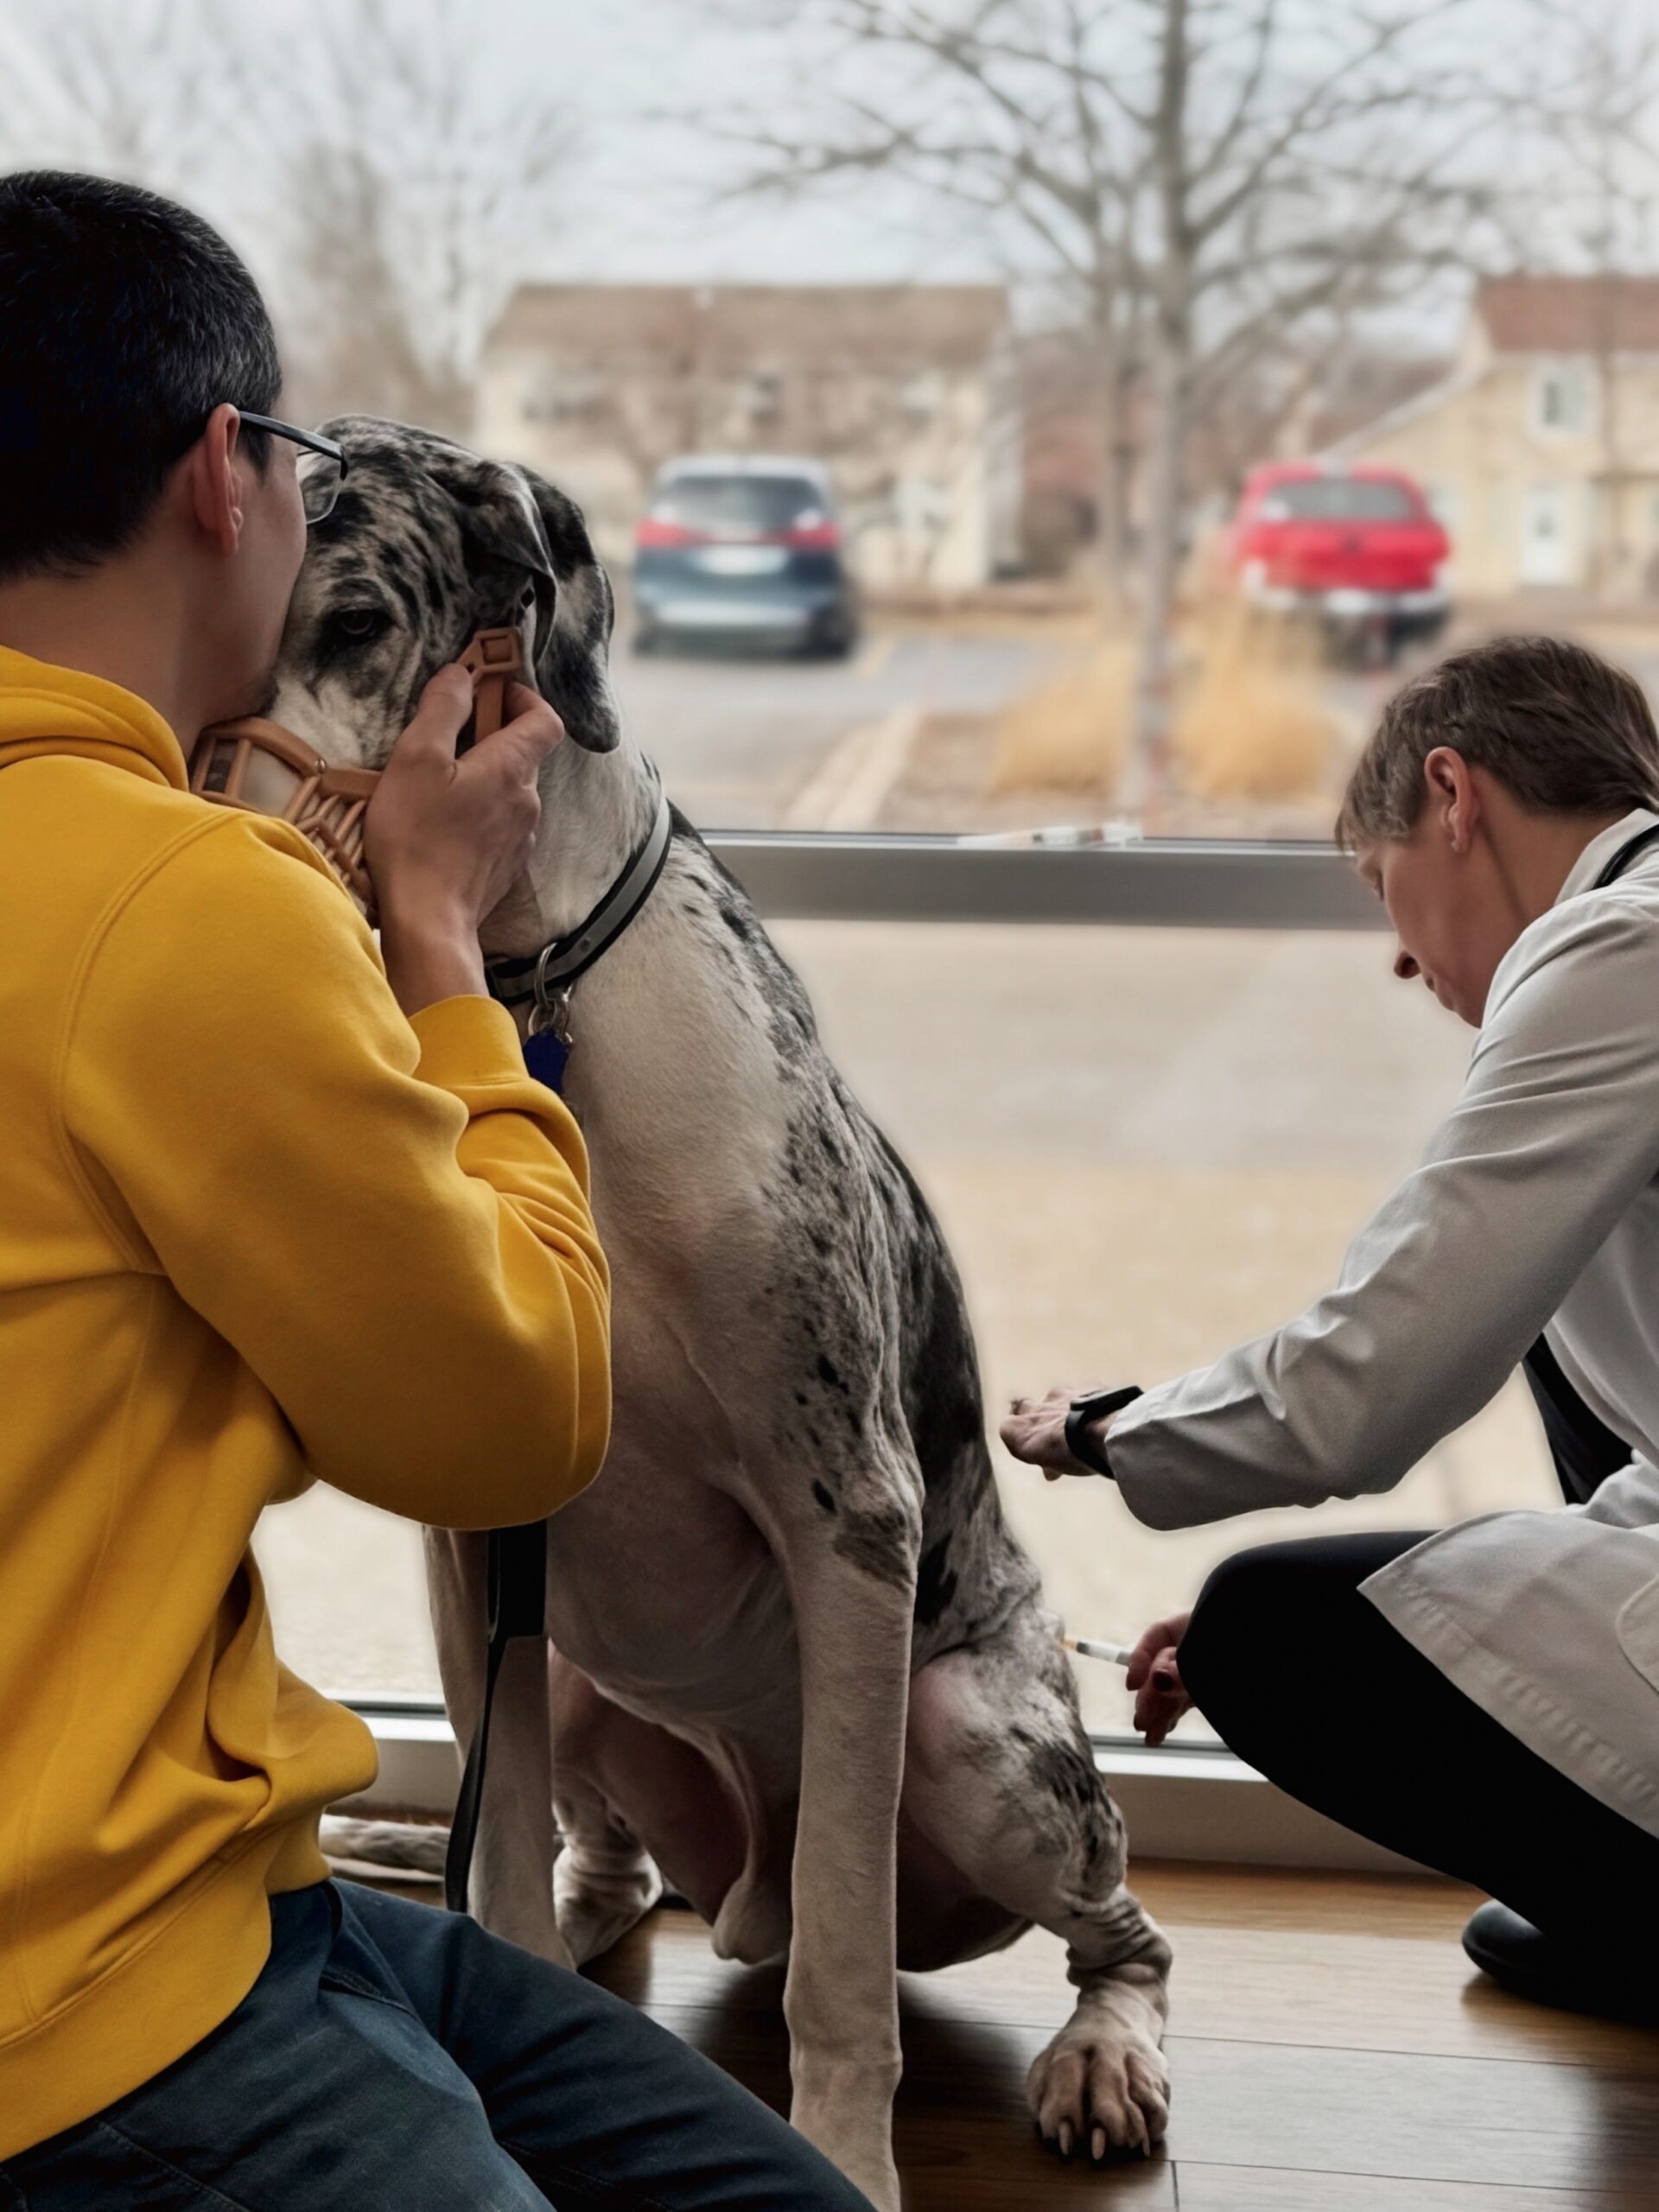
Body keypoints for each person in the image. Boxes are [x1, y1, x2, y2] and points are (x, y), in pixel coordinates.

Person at [0, 171, 869, 2211]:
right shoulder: (182, 903)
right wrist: (443, 951)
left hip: (223, 1887)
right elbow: (499, 1424)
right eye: (294, 460)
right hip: (102, 1994)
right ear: (227, 474)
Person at [1005, 632, 1659, 2021]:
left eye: (1382, 884)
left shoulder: (1622, 947)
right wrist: (1420, 1600)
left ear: (1453, 795)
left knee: (1266, 1633)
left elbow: (1375, 1376)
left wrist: (1105, 1431)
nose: (1403, 963)